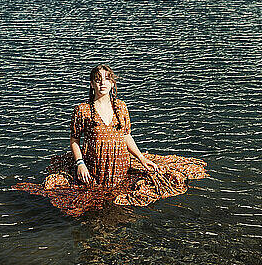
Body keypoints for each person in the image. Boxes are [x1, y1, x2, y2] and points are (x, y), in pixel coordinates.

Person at [12, 65, 209, 217]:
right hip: (94, 166)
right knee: (92, 211)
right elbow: (74, 139)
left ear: (113, 83)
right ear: (92, 84)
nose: (102, 83)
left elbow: (126, 135)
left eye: (107, 79)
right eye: (98, 80)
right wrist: (80, 163)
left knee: (117, 206)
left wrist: (141, 158)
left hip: (119, 164)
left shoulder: (121, 107)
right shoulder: (83, 110)